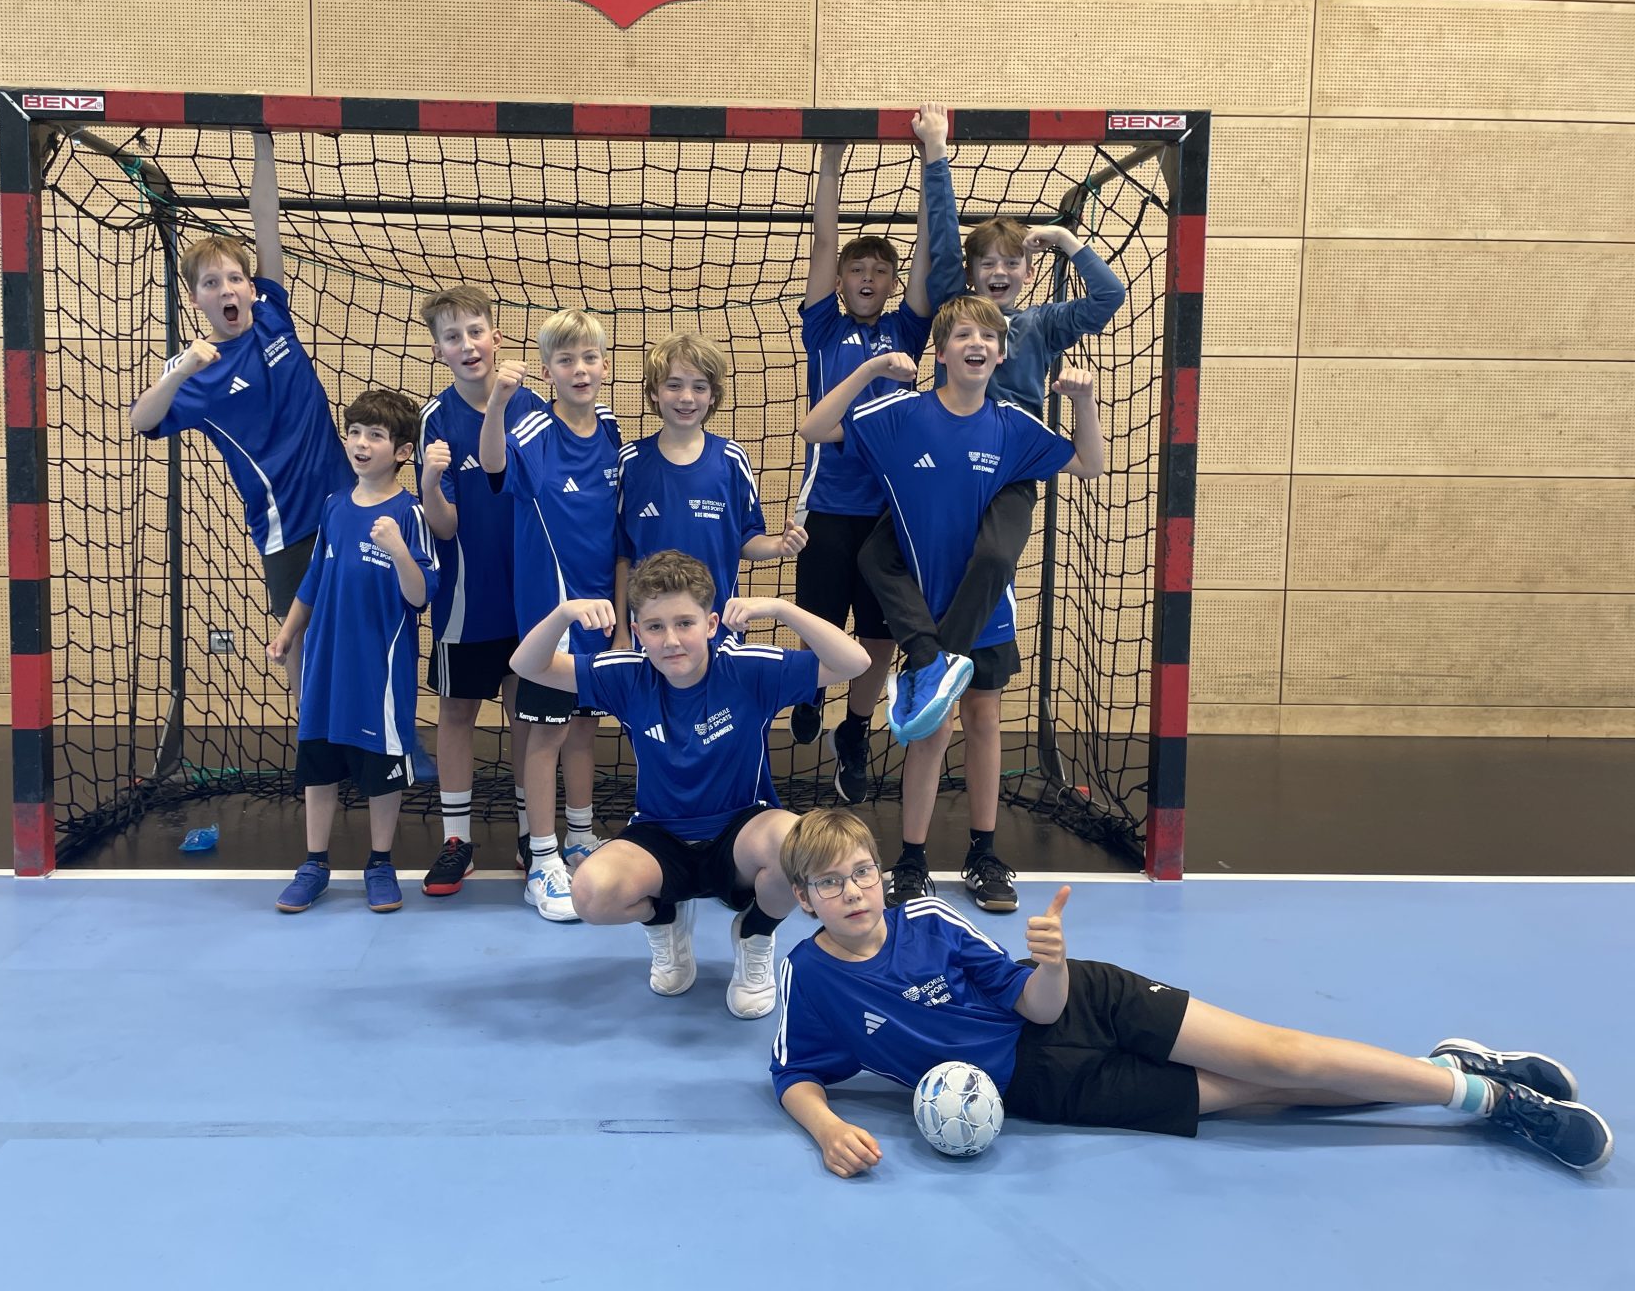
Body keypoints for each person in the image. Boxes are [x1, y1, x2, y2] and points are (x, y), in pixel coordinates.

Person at [771, 809, 1614, 1178]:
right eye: (830, 883)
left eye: (862, 872)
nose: (853, 891)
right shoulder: (810, 978)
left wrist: (1052, 962)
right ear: (804, 900)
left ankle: (1492, 1098)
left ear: (880, 874)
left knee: (1281, 1054)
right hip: (1048, 1087)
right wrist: (829, 1128)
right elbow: (794, 1074)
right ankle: (1444, 1072)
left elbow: (1039, 1005)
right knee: (1261, 1096)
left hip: (1084, 1001)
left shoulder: (927, 919)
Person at [801, 294, 1106, 914]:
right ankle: (912, 861)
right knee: (931, 732)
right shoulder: (900, 415)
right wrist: (869, 370)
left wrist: (1082, 401)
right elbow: (813, 429)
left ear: (1001, 354)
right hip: (921, 611)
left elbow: (1090, 465)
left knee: (984, 721)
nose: (977, 344)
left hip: (984, 614)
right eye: (963, 335)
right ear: (940, 353)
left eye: (988, 337)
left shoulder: (1012, 426)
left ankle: (985, 855)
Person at [859, 102, 1129, 745]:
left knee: (995, 557)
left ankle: (936, 663)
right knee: (876, 554)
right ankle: (930, 658)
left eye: (1011, 264)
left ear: (1028, 274)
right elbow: (944, 235)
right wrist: (935, 152)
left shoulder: (1042, 325)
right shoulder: (956, 313)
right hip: (943, 466)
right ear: (971, 275)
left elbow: (1109, 297)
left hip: (1009, 468)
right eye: (988, 265)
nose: (999, 273)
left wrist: (1064, 240)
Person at [508, 551, 869, 1017]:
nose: (672, 640)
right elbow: (528, 666)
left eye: (685, 623)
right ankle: (664, 916)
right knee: (590, 894)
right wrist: (562, 614)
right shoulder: (627, 674)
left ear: (711, 624)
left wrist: (782, 609)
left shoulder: (746, 669)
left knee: (794, 844)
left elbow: (855, 662)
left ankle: (755, 933)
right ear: (638, 633)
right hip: (660, 836)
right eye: (655, 627)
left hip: (741, 832)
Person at [128, 131, 351, 690]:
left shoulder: (274, 312)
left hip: (346, 499)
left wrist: (262, 142)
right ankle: (313, 738)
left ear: (250, 287)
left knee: (356, 622)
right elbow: (141, 420)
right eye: (211, 283)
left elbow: (266, 221)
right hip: (287, 523)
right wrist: (178, 371)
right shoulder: (197, 373)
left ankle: (368, 731)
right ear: (196, 298)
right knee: (299, 638)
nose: (226, 289)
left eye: (234, 278)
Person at [789, 140, 933, 803]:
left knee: (878, 633)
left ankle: (854, 729)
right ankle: (811, 692)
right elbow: (823, 241)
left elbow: (928, 255)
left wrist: (931, 164)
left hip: (888, 511)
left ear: (893, 283)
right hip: (828, 504)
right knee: (817, 619)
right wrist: (829, 162)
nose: (868, 277)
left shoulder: (907, 330)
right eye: (857, 270)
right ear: (843, 282)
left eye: (880, 270)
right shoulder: (824, 329)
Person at [264, 390, 439, 914]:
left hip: (379, 673)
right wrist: (288, 633)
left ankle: (380, 863)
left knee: (380, 770)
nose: (361, 443)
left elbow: (420, 595)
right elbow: (314, 579)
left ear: (402, 451)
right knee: (318, 766)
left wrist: (399, 551)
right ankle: (314, 863)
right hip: (325, 665)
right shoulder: (335, 506)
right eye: (355, 432)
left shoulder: (409, 513)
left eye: (376, 435)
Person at [481, 309, 622, 921]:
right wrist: (497, 403)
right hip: (553, 616)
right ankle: (541, 858)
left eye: (589, 358)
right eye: (566, 360)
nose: (580, 369)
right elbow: (493, 465)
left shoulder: (611, 428)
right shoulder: (535, 428)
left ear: (604, 365)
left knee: (584, 728)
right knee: (547, 734)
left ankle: (581, 835)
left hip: (602, 613)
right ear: (548, 372)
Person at [414, 286, 550, 895]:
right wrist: (429, 482)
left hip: (529, 600)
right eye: (452, 337)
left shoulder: (533, 407)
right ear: (438, 350)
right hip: (466, 603)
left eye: (475, 331)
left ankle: (530, 833)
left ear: (496, 337)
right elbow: (443, 527)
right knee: (457, 712)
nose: (467, 345)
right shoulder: (436, 420)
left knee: (527, 714)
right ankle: (457, 841)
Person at [616, 332, 807, 620]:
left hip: (717, 623)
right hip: (648, 628)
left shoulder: (731, 459)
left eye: (699, 387)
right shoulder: (630, 462)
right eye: (674, 385)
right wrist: (622, 631)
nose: (686, 397)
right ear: (654, 391)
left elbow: (746, 539)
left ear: (713, 395)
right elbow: (621, 554)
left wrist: (779, 545)